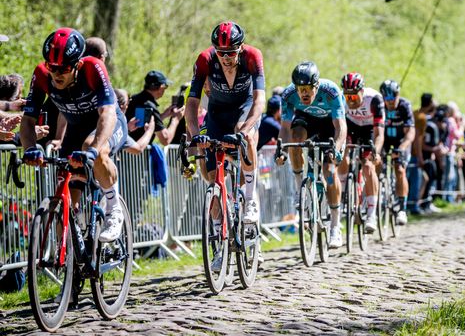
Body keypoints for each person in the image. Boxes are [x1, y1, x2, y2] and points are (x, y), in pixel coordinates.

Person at [20, 28, 127, 242]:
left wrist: (95, 149)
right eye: (53, 67)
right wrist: (30, 149)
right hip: (75, 129)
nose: (57, 74)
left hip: (107, 122)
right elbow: (28, 120)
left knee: (91, 149)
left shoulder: (93, 68)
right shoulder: (41, 74)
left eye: (64, 68)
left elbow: (107, 113)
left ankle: (114, 210)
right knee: (66, 201)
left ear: (77, 64)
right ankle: (69, 258)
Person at [185, 21, 266, 271]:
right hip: (217, 113)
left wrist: (245, 130)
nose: (226, 58)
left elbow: (260, 100)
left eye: (231, 52)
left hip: (245, 108)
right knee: (212, 176)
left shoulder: (252, 56)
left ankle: (250, 199)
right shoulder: (204, 60)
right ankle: (221, 243)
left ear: (240, 49)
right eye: (222, 53)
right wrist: (196, 135)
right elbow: (191, 103)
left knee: (248, 137)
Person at [278, 61, 347, 248]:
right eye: (300, 89)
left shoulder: (331, 91)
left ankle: (334, 225)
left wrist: (337, 148)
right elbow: (284, 128)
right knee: (295, 136)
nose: (304, 93)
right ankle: (298, 185)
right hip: (306, 121)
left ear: (316, 86)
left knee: (330, 171)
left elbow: (340, 126)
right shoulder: (288, 95)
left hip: (329, 126)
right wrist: (282, 149)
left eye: (308, 88)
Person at [337, 72, 385, 234]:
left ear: (362, 91)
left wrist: (376, 152)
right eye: (347, 97)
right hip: (351, 127)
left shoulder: (374, 100)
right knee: (341, 154)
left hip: (369, 129)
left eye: (354, 97)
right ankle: (344, 192)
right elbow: (339, 127)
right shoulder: (342, 101)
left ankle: (371, 214)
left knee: (367, 165)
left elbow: (379, 134)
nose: (350, 101)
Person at [380, 79, 415, 225]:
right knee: (375, 164)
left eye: (392, 97)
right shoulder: (379, 105)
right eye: (386, 98)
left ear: (398, 94)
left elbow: (410, 132)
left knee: (400, 169)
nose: (389, 101)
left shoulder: (404, 106)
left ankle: (402, 208)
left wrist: (402, 148)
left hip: (401, 141)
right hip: (384, 140)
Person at [126, 70, 184, 146]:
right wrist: (176, 119)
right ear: (160, 87)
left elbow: (143, 124)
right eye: (165, 86)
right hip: (137, 153)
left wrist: (164, 114)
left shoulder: (134, 99)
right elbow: (165, 139)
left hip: (125, 152)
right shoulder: (149, 106)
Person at [115, 88, 155, 154]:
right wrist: (149, 131)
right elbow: (138, 149)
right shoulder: (115, 125)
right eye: (128, 102)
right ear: (123, 106)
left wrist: (127, 129)